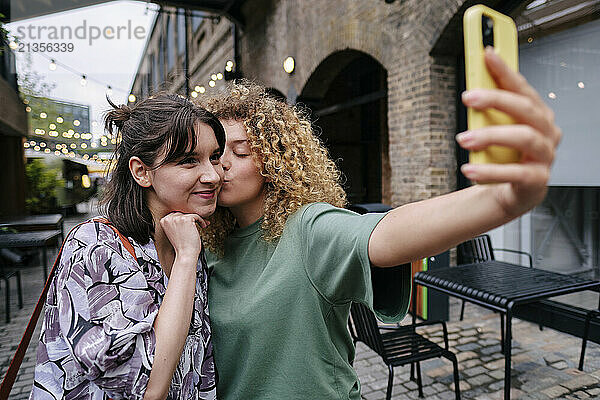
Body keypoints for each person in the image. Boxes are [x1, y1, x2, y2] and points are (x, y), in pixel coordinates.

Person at [198, 47, 561, 400]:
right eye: (215, 153)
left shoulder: (308, 229)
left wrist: (498, 200)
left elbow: (385, 233)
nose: (222, 163)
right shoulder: (208, 243)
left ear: (275, 161)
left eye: (241, 151)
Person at [29, 94, 225, 400]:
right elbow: (148, 389)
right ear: (141, 172)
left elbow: (198, 371)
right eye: (188, 160)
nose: (214, 175)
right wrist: (187, 258)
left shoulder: (184, 241)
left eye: (214, 157)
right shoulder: (96, 247)